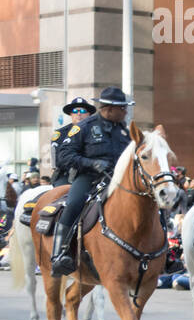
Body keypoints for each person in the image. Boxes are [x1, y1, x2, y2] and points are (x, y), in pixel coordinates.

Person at [50, 86, 134, 276]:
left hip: (117, 180)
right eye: (123, 108)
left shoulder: (124, 132)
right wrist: (92, 163)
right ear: (109, 109)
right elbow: (65, 156)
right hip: (89, 178)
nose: (125, 111)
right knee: (73, 203)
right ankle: (59, 254)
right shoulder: (84, 128)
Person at [50, 96, 96, 187]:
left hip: (93, 173)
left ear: (89, 114)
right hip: (67, 174)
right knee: (63, 196)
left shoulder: (96, 131)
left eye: (82, 111)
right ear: (71, 114)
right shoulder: (60, 133)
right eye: (75, 111)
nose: (79, 114)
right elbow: (59, 160)